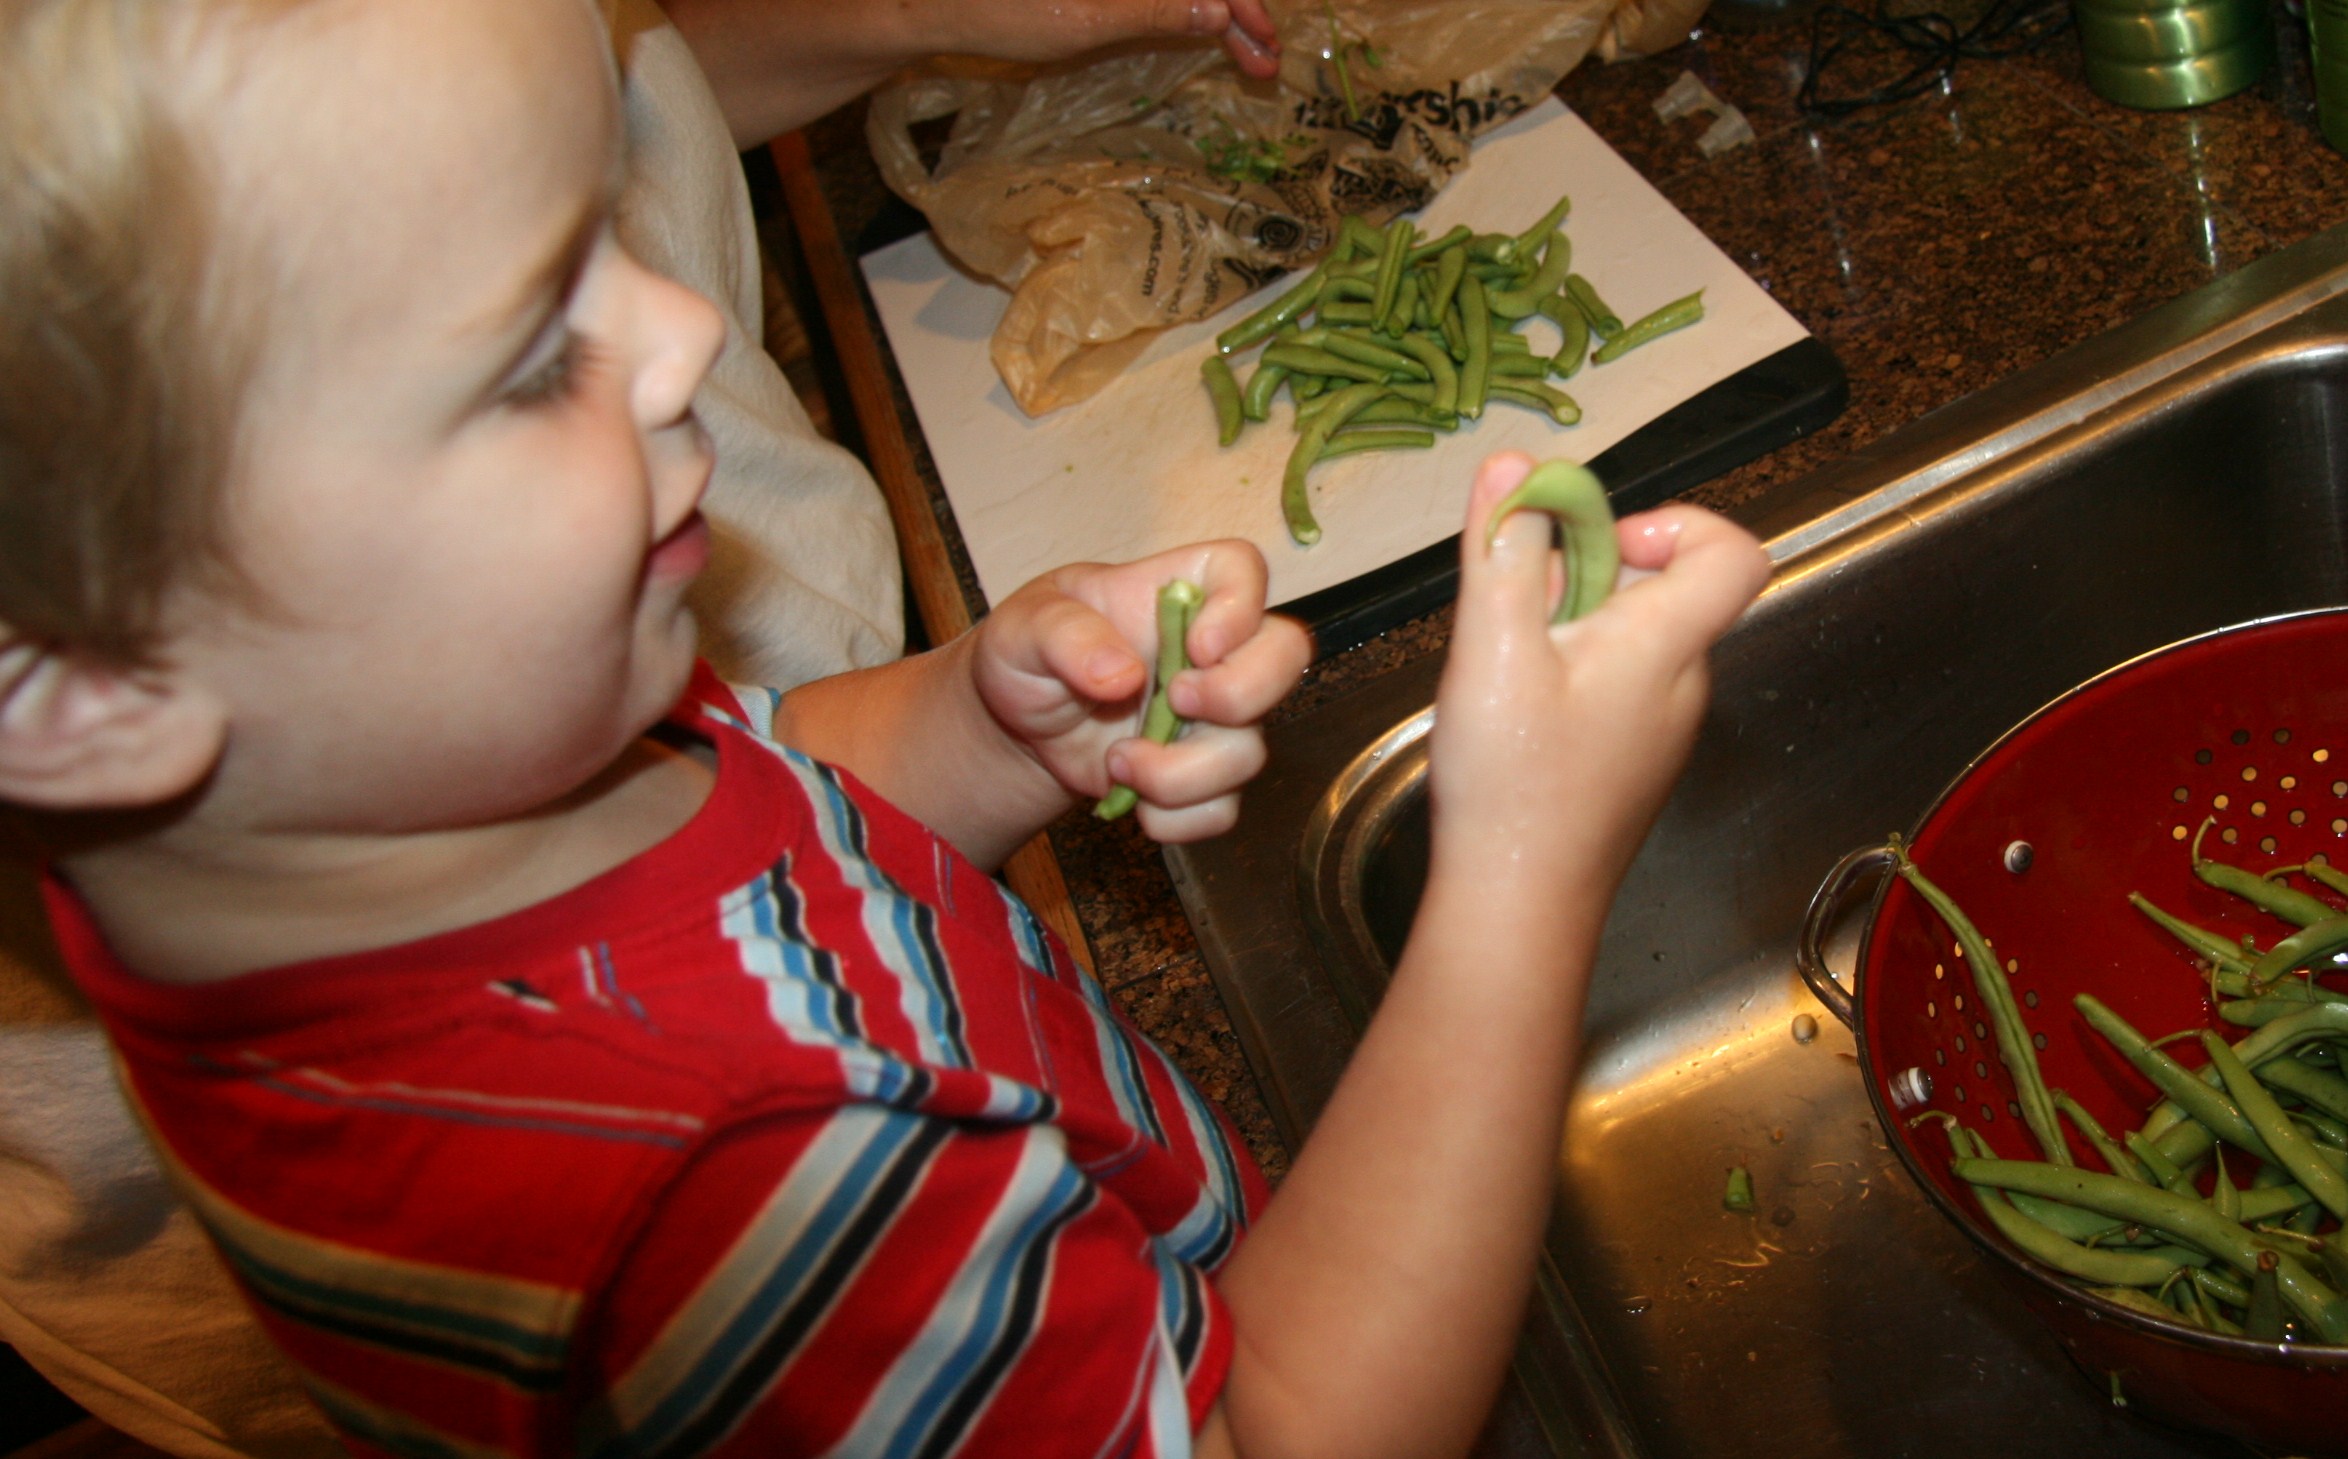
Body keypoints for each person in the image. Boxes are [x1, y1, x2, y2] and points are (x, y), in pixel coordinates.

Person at [0, 4, 1768, 1459]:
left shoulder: (403, 802)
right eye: (528, 357)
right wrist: (1518, 874)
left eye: (611, 234)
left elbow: (747, 800)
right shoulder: (739, 1185)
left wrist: (982, 731)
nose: (685, 326)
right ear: (80, 694)